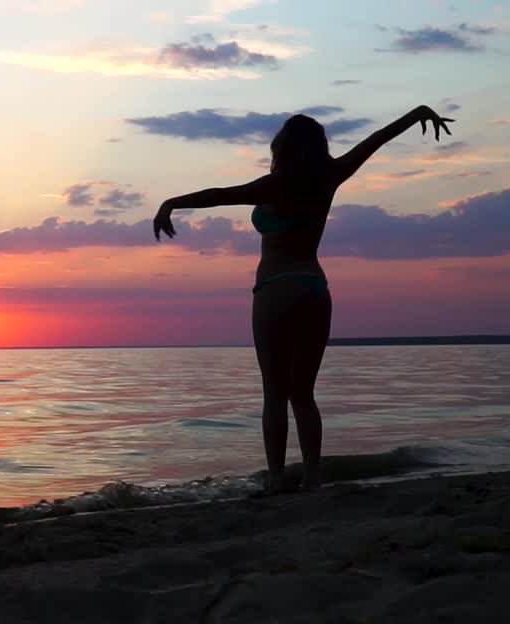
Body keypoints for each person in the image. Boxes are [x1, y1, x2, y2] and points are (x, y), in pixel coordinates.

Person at [152, 106, 454, 492]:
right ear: (319, 147)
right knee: (303, 393)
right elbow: (376, 139)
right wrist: (420, 114)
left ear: (282, 147)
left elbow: (219, 195)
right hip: (314, 289)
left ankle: (276, 481)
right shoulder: (330, 176)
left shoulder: (274, 186)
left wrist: (170, 203)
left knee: (275, 393)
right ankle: (313, 477)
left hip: (276, 289)